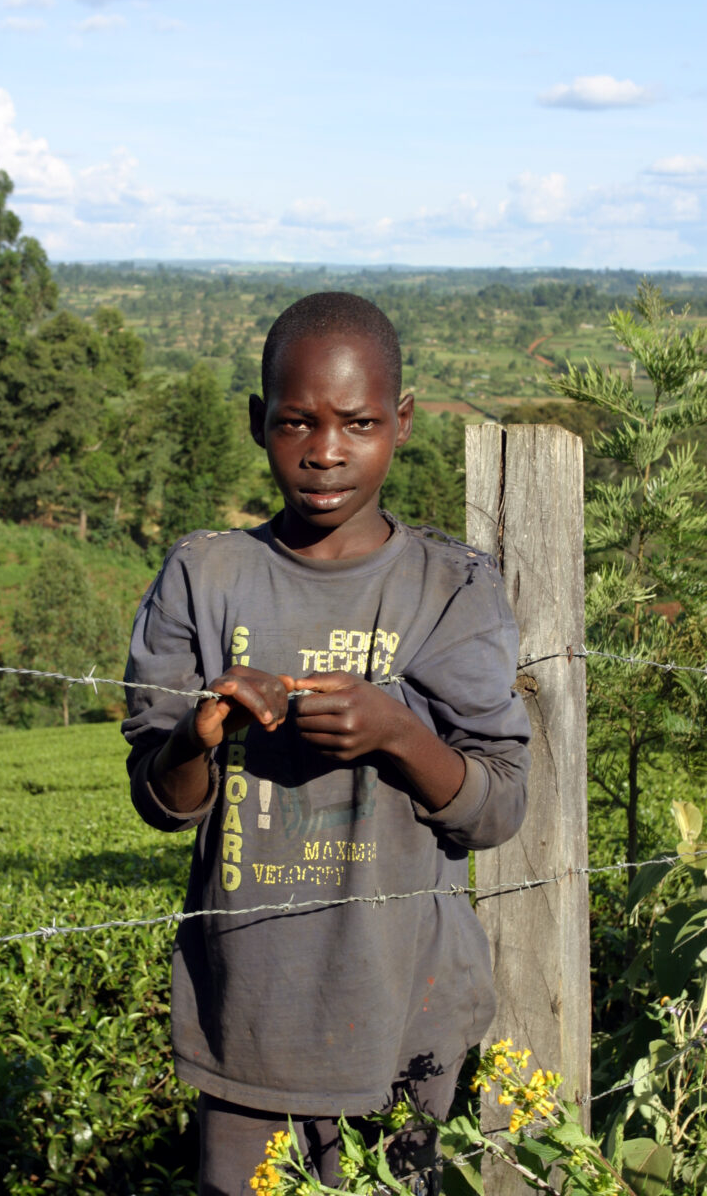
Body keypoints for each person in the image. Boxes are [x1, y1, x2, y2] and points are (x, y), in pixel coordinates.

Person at [122, 292, 531, 1196]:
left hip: (407, 1016)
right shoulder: (206, 576)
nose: (326, 451)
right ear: (258, 420)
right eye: (297, 422)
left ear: (403, 422)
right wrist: (202, 732)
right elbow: (160, 798)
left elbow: (497, 806)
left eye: (359, 423)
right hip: (251, 1019)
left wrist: (395, 731)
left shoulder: (448, 588)